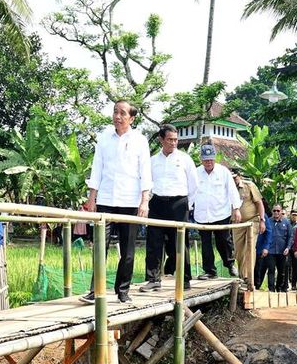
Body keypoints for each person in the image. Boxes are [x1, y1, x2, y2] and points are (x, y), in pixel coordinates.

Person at [80, 100, 152, 305]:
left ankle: (122, 291)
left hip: (130, 202)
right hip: (106, 200)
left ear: (132, 118)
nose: (117, 116)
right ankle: (96, 291)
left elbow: (145, 172)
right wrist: (92, 198)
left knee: (128, 251)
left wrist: (144, 201)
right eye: (115, 112)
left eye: (122, 113)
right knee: (100, 247)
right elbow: (97, 169)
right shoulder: (104, 138)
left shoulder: (140, 140)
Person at [140, 124, 197, 292]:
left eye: (176, 140)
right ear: (161, 140)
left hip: (179, 204)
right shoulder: (152, 161)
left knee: (179, 244)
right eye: (170, 140)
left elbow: (194, 185)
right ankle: (153, 279)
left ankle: (184, 278)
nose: (173, 143)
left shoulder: (185, 159)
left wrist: (187, 205)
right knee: (154, 243)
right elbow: (147, 184)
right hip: (157, 203)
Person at [193, 144, 241, 280]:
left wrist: (236, 209)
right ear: (201, 160)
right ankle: (209, 271)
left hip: (221, 212)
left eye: (211, 160)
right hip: (202, 214)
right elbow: (191, 191)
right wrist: (187, 208)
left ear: (215, 159)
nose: (208, 162)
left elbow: (232, 190)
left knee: (224, 241)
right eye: (206, 160)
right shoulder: (196, 172)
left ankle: (230, 264)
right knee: (206, 243)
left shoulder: (223, 171)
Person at [231, 169, 267, 290]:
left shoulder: (249, 185)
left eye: (235, 177)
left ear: (239, 176)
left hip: (252, 221)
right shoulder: (227, 187)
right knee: (238, 250)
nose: (233, 180)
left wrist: (262, 220)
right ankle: (242, 276)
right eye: (231, 177)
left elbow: (259, 203)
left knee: (250, 248)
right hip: (236, 223)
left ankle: (248, 278)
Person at [265, 204, 295, 292]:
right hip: (270, 251)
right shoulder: (268, 222)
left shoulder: (286, 222)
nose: (276, 212)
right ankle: (271, 289)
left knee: (281, 272)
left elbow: (290, 237)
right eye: (274, 211)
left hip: (282, 252)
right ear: (272, 211)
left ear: (281, 211)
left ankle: (279, 288)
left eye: (278, 211)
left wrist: (288, 248)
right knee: (271, 270)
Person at [287, 209, 297, 290]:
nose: (294, 216)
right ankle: (286, 284)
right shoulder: (286, 223)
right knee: (287, 266)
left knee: (295, 267)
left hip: (295, 249)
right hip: (287, 249)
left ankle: (294, 284)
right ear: (290, 215)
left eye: (296, 215)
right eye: (293, 215)